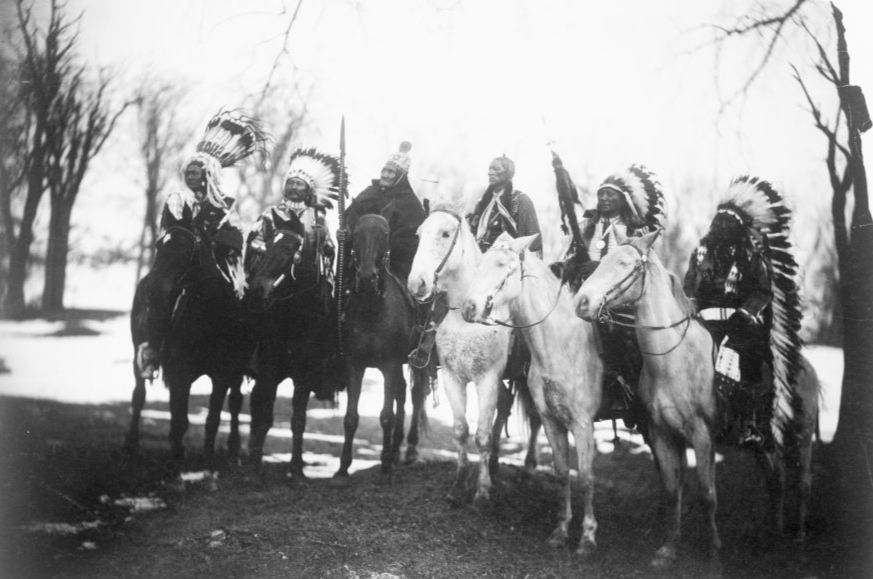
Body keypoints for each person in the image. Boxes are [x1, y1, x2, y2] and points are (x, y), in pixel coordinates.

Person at [135, 110, 267, 379]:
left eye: (196, 172)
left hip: (216, 263)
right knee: (157, 291)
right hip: (177, 263)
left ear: (208, 175)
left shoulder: (225, 206)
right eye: (188, 172)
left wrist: (215, 240)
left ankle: (243, 355)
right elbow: (166, 232)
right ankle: (152, 349)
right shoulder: (176, 200)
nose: (190, 176)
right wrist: (184, 238)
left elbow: (235, 236)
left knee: (240, 297)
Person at [683, 176, 803, 446]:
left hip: (740, 324)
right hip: (703, 322)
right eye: (719, 220)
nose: (723, 225)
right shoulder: (701, 253)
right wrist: (690, 304)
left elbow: (763, 290)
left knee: (740, 360)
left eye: (729, 222)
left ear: (739, 228)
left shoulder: (750, 255)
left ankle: (747, 422)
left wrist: (746, 314)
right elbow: (689, 284)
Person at [552, 160, 667, 420]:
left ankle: (631, 397)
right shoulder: (585, 228)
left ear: (623, 199)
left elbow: (641, 269)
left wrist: (598, 267)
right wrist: (564, 268)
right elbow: (570, 258)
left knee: (624, 344)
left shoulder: (638, 230)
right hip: (585, 299)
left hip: (622, 304)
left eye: (610, 194)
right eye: (601, 193)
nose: (603, 198)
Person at [246, 147, 342, 279]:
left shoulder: (317, 217)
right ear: (285, 187)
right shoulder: (271, 213)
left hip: (306, 277)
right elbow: (255, 242)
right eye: (290, 183)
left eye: (299, 184)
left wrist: (331, 246)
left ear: (308, 190)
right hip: (271, 276)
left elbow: (326, 246)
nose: (294, 187)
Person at [339, 141, 427, 283]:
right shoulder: (368, 194)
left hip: (396, 265)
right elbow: (351, 220)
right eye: (384, 171)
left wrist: (388, 247)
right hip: (361, 261)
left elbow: (414, 238)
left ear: (400, 176)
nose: (385, 175)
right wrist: (346, 233)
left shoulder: (411, 203)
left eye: (391, 172)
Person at [466, 155, 543, 258]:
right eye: (489, 169)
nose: (490, 172)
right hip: (481, 263)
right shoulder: (482, 204)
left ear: (508, 173)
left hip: (507, 265)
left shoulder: (520, 201)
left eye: (496, 169)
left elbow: (533, 242)